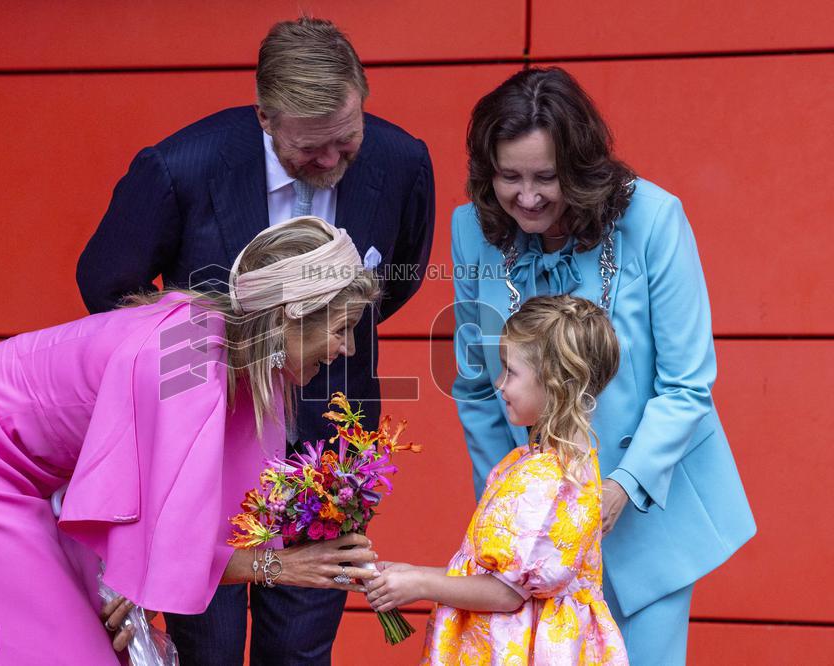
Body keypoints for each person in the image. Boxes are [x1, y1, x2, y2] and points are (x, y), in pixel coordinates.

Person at [0, 217, 380, 665]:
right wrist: (281, 567)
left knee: (68, 644)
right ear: (291, 313)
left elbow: (160, 529)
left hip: (21, 466)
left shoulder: (216, 348)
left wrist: (133, 588)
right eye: (342, 328)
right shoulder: (189, 361)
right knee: (50, 651)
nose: (348, 348)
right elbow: (171, 543)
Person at [76, 16, 434, 665]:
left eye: (344, 142)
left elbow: (395, 278)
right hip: (200, 447)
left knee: (300, 650)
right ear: (266, 117)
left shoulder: (401, 158)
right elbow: (107, 284)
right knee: (204, 641)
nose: (330, 162)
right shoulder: (181, 165)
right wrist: (199, 370)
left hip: (326, 444)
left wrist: (318, 340)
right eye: (310, 148)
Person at [451, 67, 755, 664]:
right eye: (509, 176)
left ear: (582, 169)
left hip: (645, 513)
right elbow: (478, 388)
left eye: (547, 177)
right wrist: (508, 510)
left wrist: (621, 488)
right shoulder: (472, 230)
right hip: (539, 534)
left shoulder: (654, 218)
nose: (528, 196)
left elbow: (687, 385)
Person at [367, 295, 628, 664]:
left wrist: (419, 585)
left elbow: (507, 593)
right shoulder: (535, 462)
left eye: (512, 371)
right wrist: (413, 573)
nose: (500, 384)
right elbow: (497, 574)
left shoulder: (552, 479)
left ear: (556, 384)